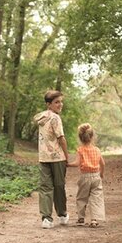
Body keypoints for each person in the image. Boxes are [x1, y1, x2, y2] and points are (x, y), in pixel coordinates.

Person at [34, 90, 69, 229]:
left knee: (45, 187)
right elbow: (61, 138)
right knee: (59, 186)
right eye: (56, 102)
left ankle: (46, 219)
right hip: (57, 157)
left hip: (43, 157)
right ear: (49, 104)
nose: (60, 104)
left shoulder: (41, 117)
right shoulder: (55, 118)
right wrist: (67, 156)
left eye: (61, 101)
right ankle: (62, 214)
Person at [68, 123, 105, 227]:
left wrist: (66, 164)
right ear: (92, 137)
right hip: (96, 176)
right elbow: (103, 164)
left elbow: (76, 164)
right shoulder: (97, 150)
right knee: (96, 198)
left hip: (85, 176)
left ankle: (81, 217)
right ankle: (94, 219)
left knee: (81, 197)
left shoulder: (80, 150)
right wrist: (101, 174)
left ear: (80, 138)